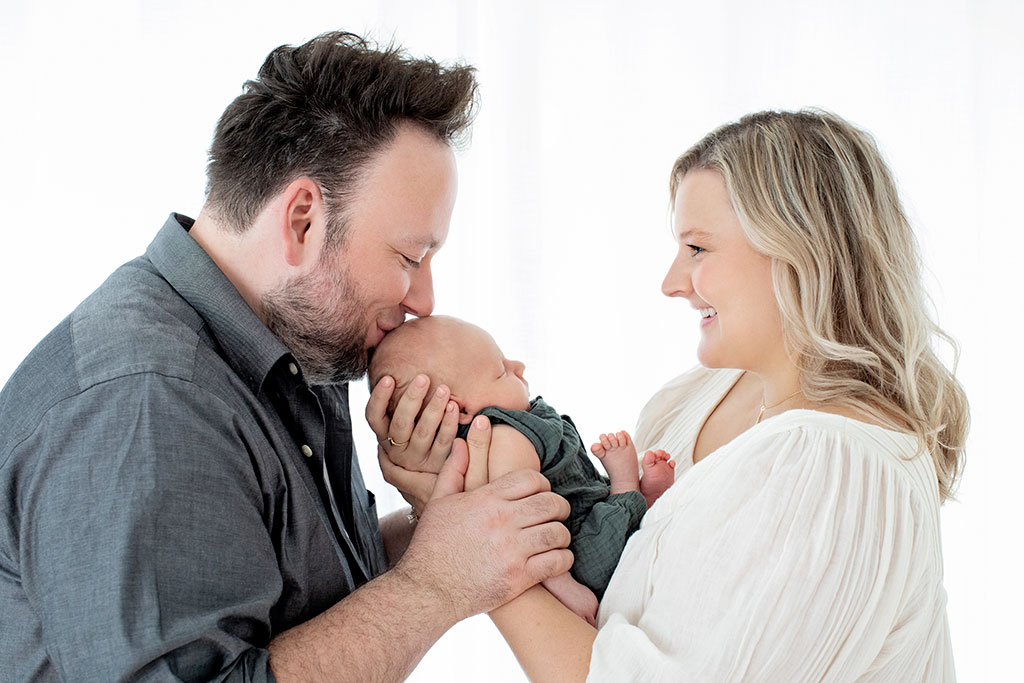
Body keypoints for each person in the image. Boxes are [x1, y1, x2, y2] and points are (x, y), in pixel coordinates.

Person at [0, 32, 575, 682]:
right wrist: (434, 586)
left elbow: (291, 603)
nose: (425, 298)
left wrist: (442, 519)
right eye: (410, 258)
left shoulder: (298, 340)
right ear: (302, 220)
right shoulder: (145, 403)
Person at [380, 109, 969, 680]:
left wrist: (471, 536)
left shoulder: (836, 469)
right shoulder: (691, 401)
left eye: (698, 248)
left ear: (799, 252)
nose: (671, 282)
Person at [367, 315, 675, 624]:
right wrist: (564, 586)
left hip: (588, 511)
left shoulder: (525, 420)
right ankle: (628, 490)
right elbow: (523, 529)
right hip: (579, 553)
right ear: (461, 409)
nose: (518, 366)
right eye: (502, 370)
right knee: (605, 544)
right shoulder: (504, 439)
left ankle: (632, 499)